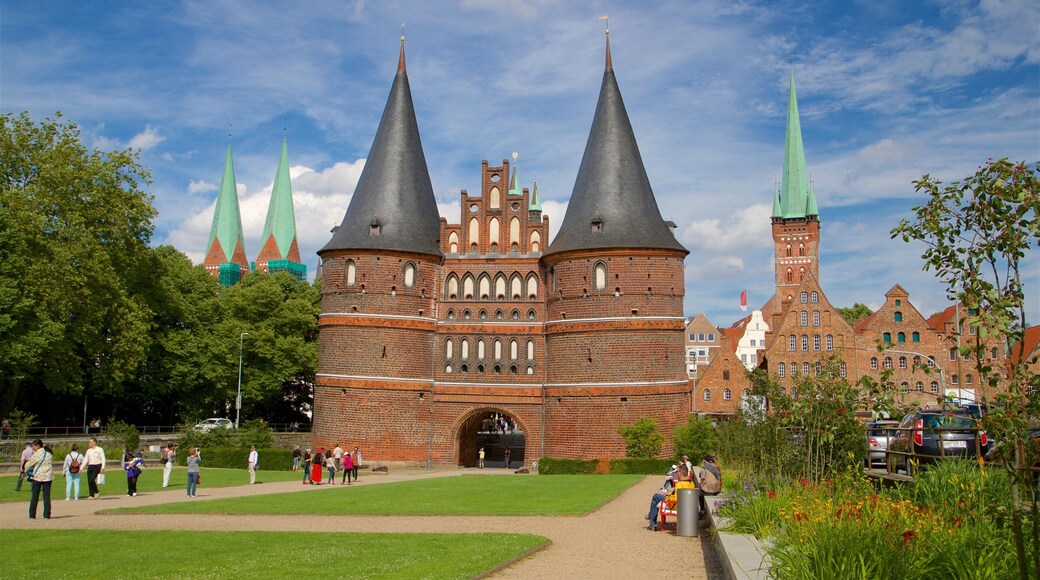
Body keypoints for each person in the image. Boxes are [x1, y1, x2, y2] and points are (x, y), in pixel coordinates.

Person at [647, 464, 694, 531]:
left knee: (656, 496)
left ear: (680, 473)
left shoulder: (679, 484)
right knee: (657, 498)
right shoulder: (691, 483)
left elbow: (676, 499)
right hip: (686, 506)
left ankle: (652, 523)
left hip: (676, 506)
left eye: (677, 472)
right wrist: (668, 495)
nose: (676, 474)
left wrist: (667, 497)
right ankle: (651, 518)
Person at [25, 439, 54, 519]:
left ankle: (32, 514)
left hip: (38, 476)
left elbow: (29, 464)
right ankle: (47, 514)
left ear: (37, 446)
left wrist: (25, 470)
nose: (32, 448)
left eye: (33, 446)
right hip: (48, 477)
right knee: (46, 496)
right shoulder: (49, 454)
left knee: (35, 496)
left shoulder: (37, 454)